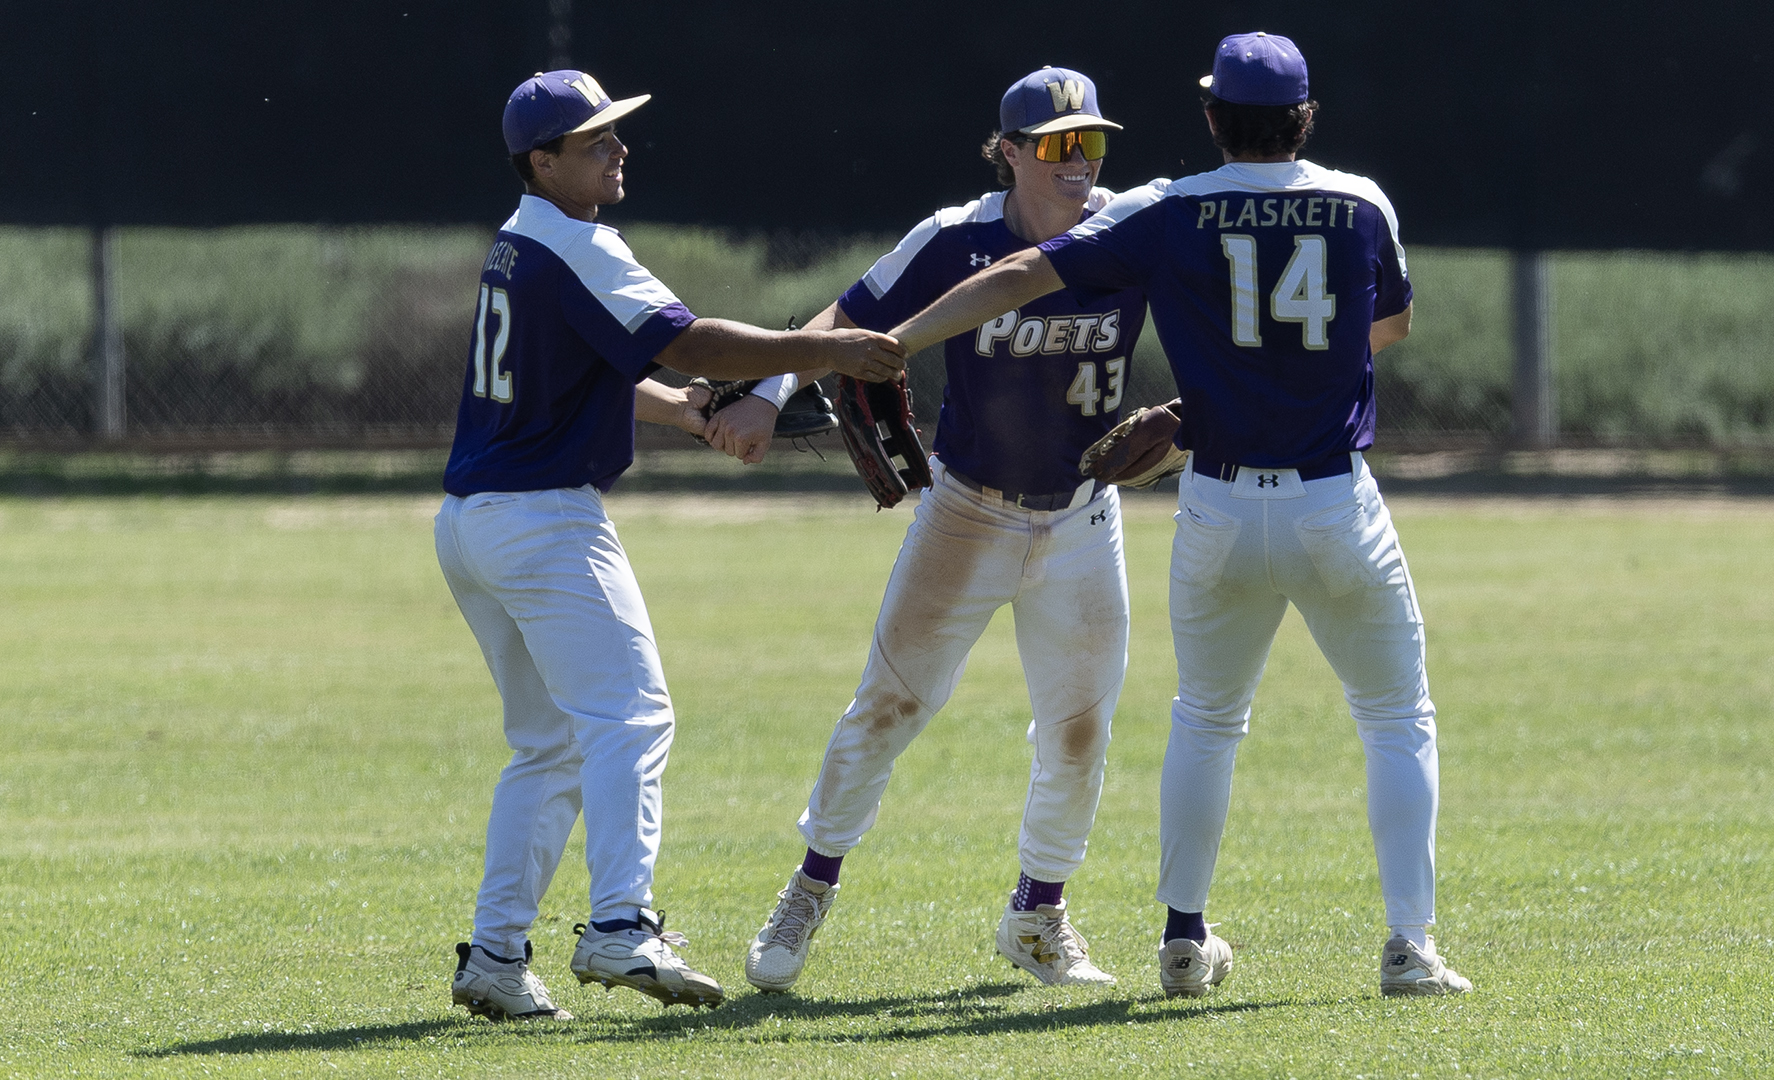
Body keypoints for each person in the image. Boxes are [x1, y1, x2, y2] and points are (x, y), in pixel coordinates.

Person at [879, 33, 1473, 999]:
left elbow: (1020, 276)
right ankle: (1409, 946)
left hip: (1220, 502)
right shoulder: (1362, 201)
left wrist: (899, 339)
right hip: (1332, 499)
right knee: (1395, 716)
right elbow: (1390, 323)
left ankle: (1183, 940)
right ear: (1306, 118)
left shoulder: (1168, 206)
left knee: (1207, 718)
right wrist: (1294, 363)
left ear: (1211, 117)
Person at [438, 69, 904, 1021]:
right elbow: (695, 343)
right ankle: (620, 925)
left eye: (616, 132)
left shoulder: (520, 243)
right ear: (543, 161)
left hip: (472, 524)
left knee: (551, 744)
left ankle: (494, 952)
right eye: (595, 139)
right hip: (543, 520)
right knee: (633, 715)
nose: (618, 148)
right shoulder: (581, 244)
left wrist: (682, 416)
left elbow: (593, 366)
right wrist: (824, 351)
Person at [739, 67, 1148, 993]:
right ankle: (809, 888)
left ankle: (1039, 914)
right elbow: (848, 316)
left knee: (1079, 734)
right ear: (1008, 152)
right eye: (1055, 144)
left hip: (1086, 516)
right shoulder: (955, 236)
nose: (1078, 160)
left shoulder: (1132, 224)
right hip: (968, 511)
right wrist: (767, 394)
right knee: (885, 708)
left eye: (1092, 141)